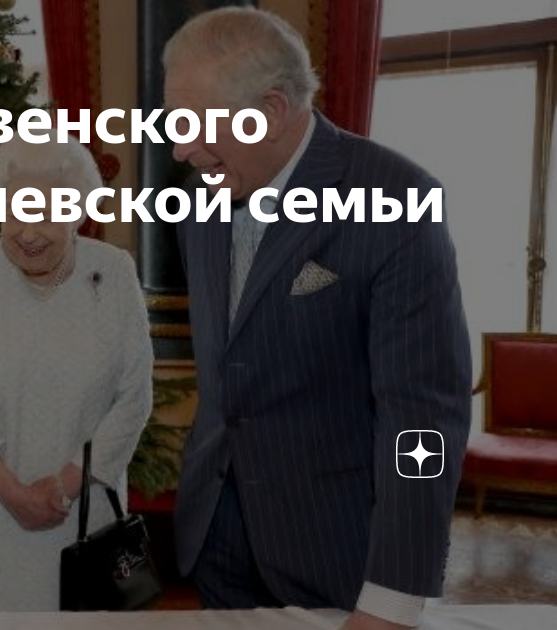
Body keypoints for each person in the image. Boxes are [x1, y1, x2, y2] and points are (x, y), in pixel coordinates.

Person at [163, 8, 471, 630]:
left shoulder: (397, 200)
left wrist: (393, 597)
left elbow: (424, 419)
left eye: (196, 125)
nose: (180, 150)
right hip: (216, 535)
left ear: (272, 111)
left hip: (334, 551)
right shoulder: (197, 200)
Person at [0, 134, 153, 611]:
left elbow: (134, 397)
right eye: (17, 212)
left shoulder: (113, 272)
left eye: (48, 214)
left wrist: (61, 485)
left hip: (86, 517)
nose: (29, 233)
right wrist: (11, 491)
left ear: (78, 213)